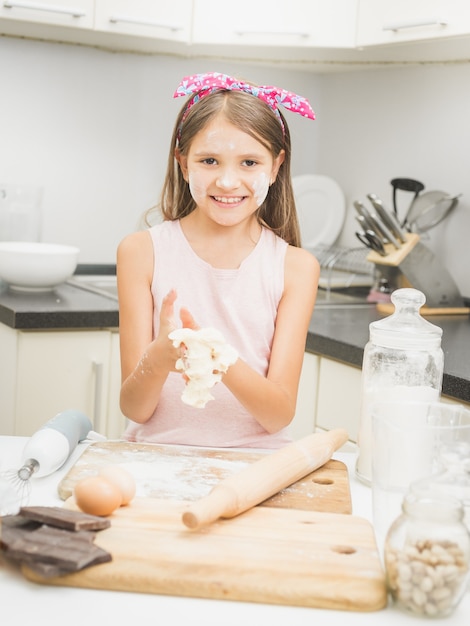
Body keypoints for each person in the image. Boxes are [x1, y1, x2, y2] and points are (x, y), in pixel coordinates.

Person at [117, 72, 320, 449]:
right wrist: (158, 360)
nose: (228, 182)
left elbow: (278, 415)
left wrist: (219, 356)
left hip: (256, 465)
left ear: (275, 167)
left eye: (249, 162)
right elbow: (134, 409)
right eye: (209, 160)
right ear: (183, 163)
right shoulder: (141, 252)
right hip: (157, 455)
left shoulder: (296, 267)